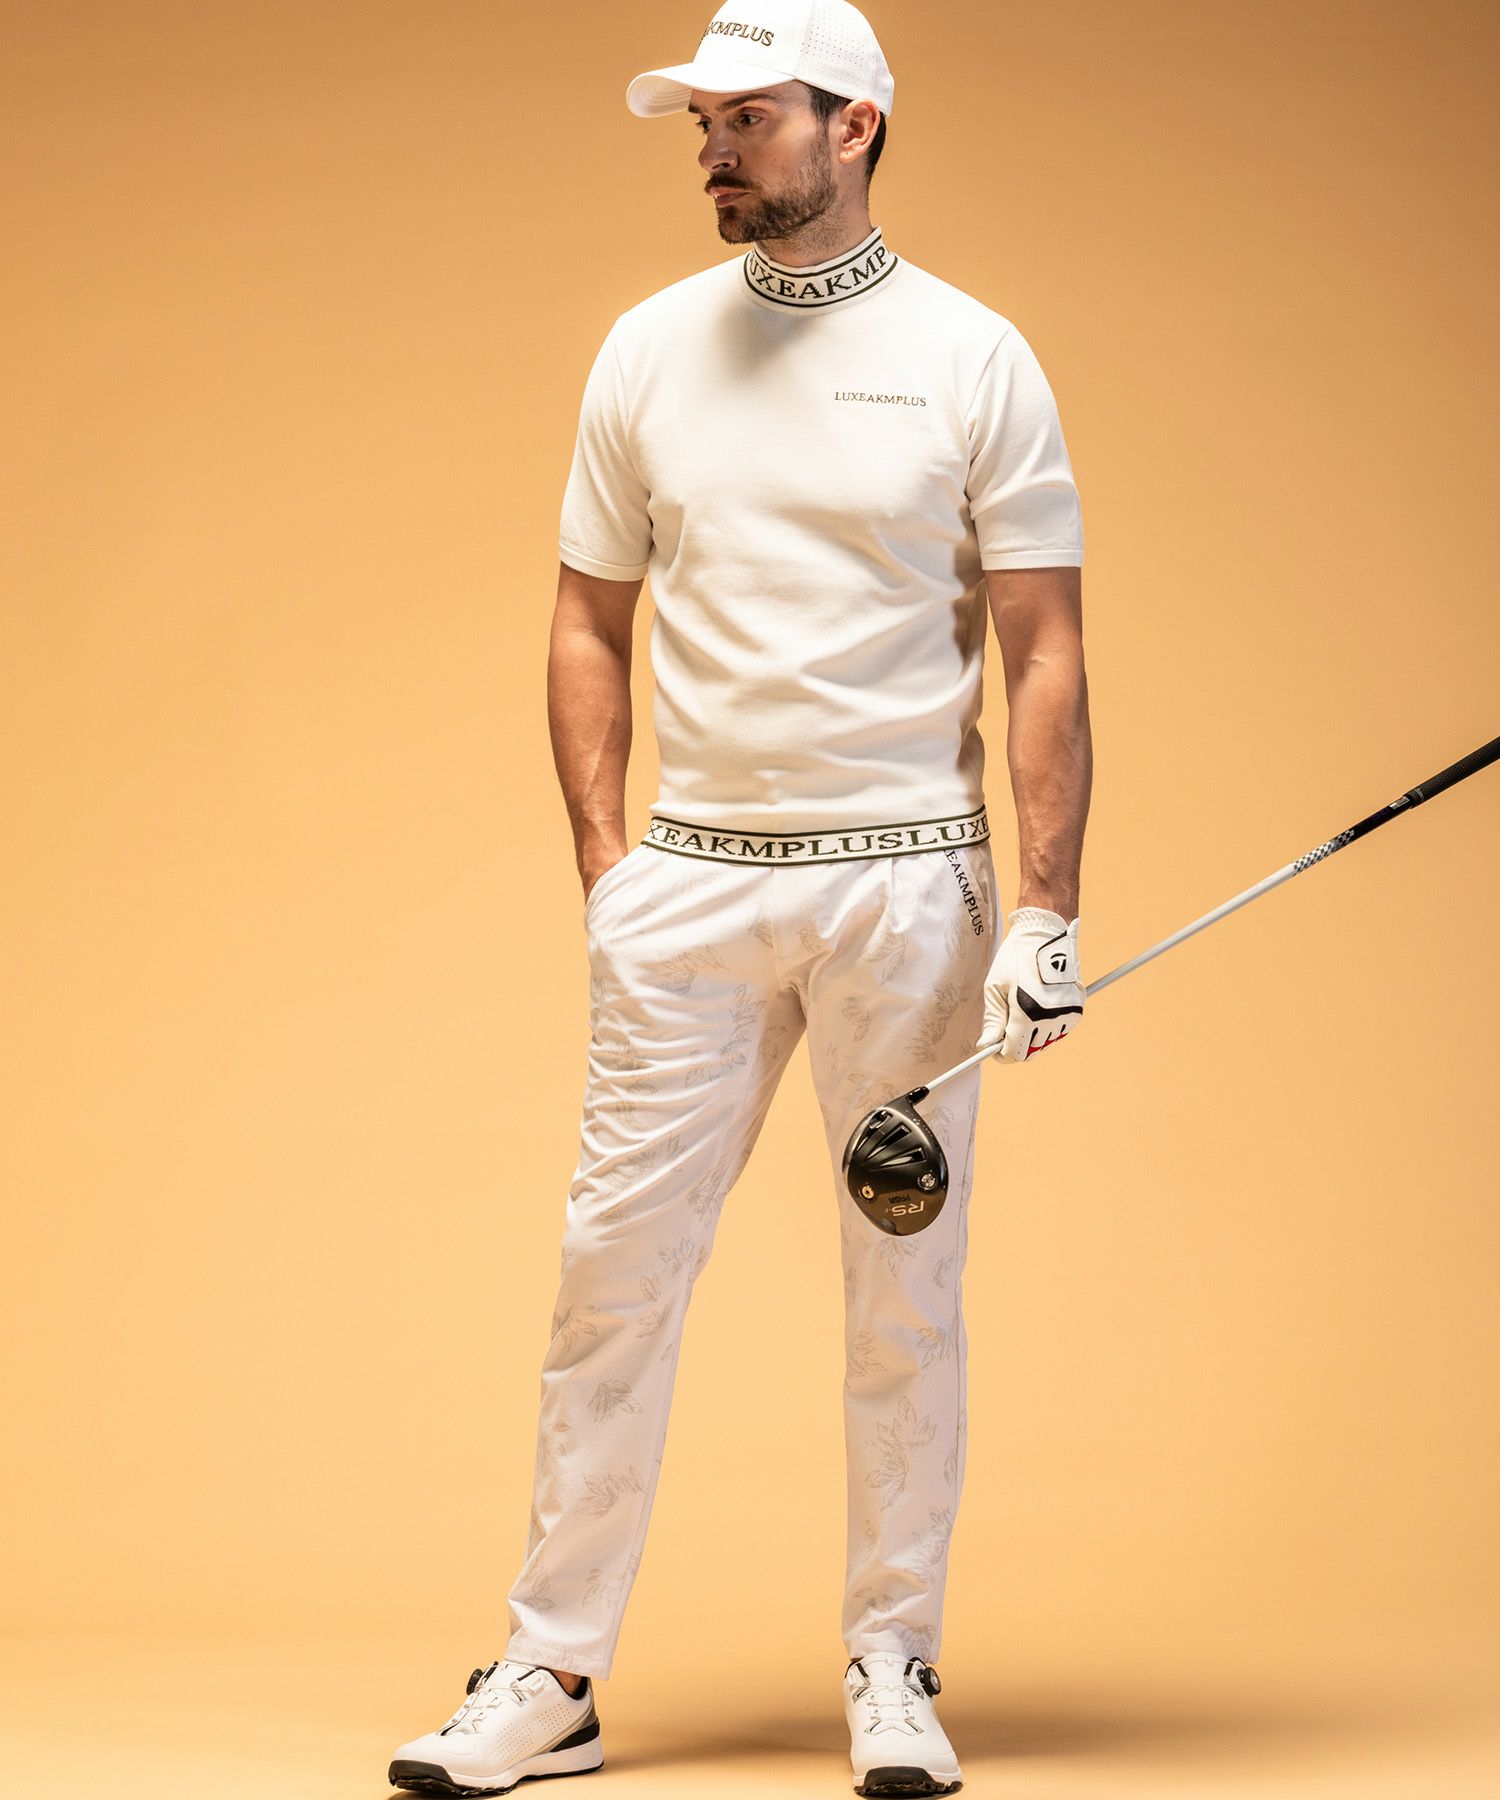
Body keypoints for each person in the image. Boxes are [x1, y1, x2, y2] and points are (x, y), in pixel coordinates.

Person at [388, 1, 1091, 1794]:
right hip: (691, 890)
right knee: (610, 1277)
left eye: (748, 115)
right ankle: (549, 1671)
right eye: (700, 120)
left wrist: (1042, 908)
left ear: (855, 125)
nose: (712, 146)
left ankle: (893, 1663)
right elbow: (584, 616)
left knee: (903, 1293)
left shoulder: (974, 356)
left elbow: (1042, 645)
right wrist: (605, 864)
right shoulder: (646, 349)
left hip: (906, 892)